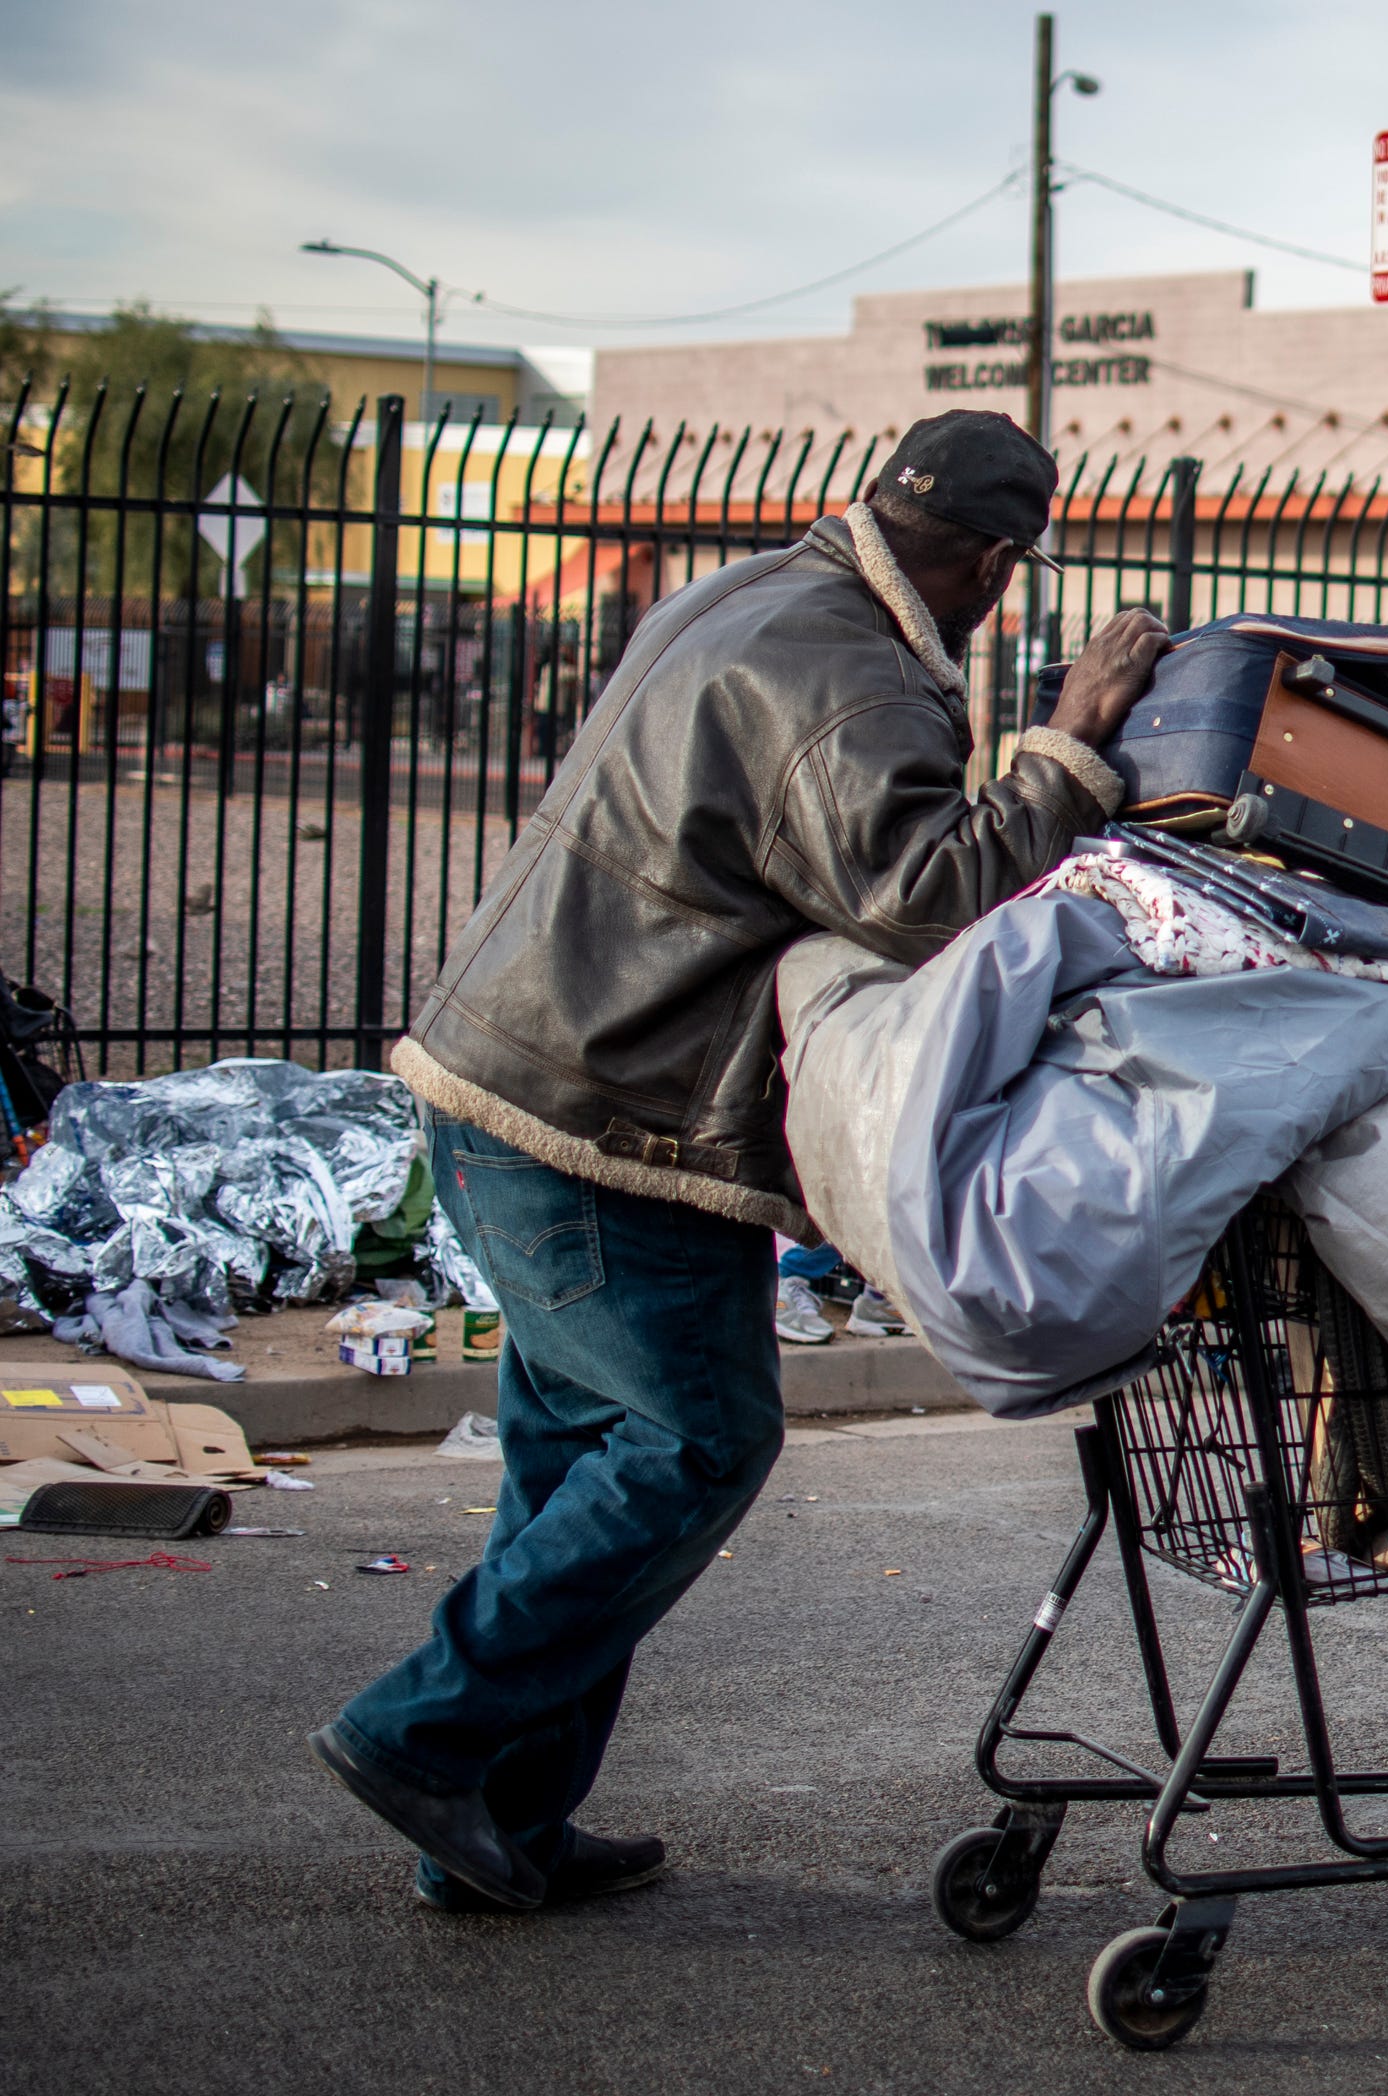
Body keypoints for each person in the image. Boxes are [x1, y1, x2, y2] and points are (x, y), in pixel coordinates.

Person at [310, 410, 1171, 1914]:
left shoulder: (765, 589)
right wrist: (1072, 752)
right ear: (991, 560)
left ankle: (499, 1819)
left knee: (580, 1454)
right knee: (699, 1441)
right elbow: (922, 892)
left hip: (520, 1075)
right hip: (601, 1121)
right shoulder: (842, 677)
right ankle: (420, 1733)